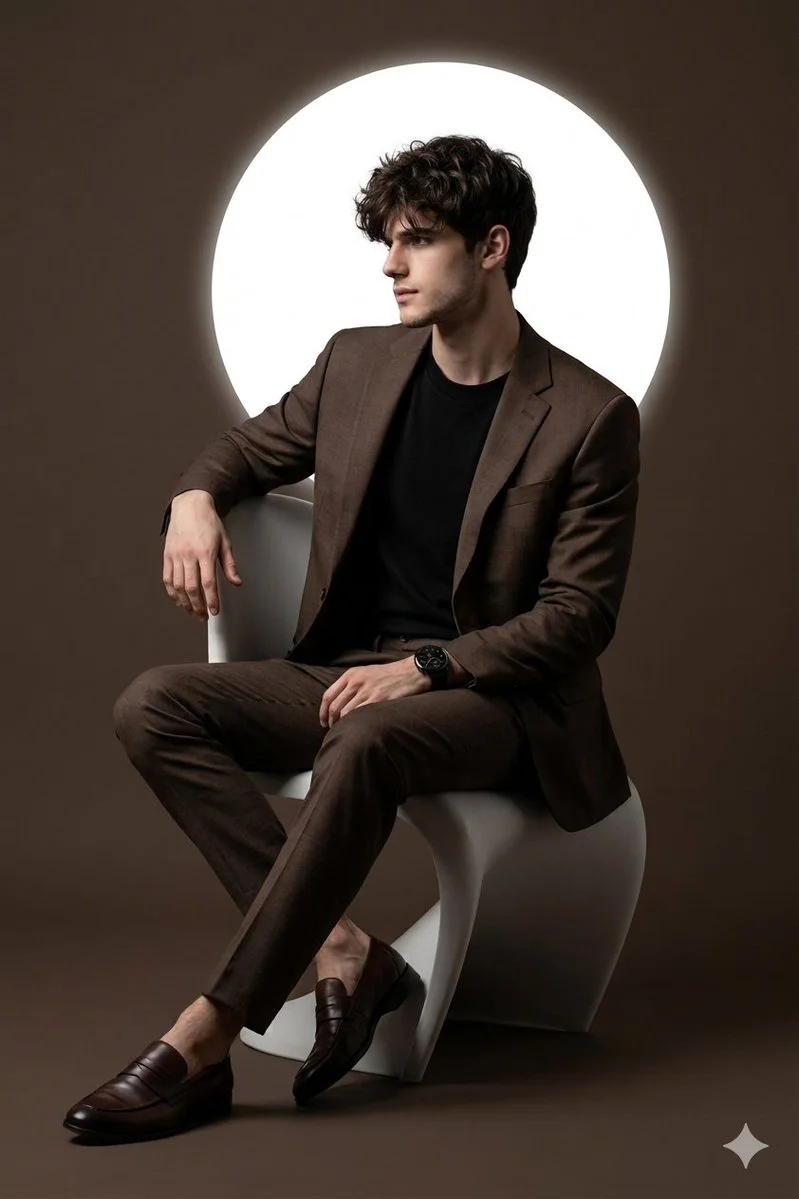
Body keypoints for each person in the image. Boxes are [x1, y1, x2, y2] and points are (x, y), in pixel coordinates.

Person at [63, 134, 641, 1142]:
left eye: (417, 240)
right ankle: (342, 950)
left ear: (493, 246)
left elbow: (577, 615)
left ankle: (204, 1035)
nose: (389, 263)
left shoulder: (589, 415)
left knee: (367, 737)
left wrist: (424, 666)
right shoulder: (356, 361)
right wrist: (194, 497)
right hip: (343, 670)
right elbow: (243, 447)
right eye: (386, 240)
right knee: (152, 705)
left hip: (499, 701)